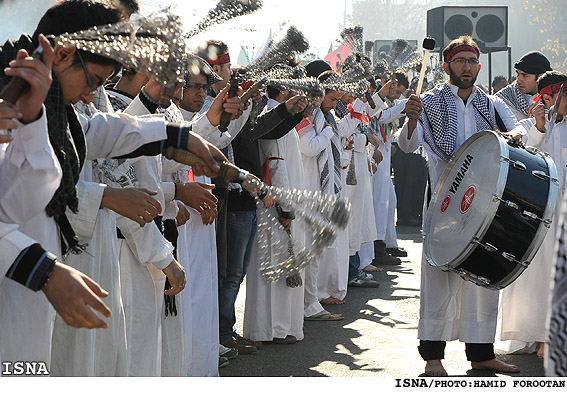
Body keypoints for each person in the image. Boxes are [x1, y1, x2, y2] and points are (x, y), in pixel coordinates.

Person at [398, 35, 522, 377]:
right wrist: (411, 119)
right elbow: (407, 146)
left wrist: (516, 136)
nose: (466, 67)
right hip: (443, 204)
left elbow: (517, 128)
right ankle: (433, 358)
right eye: (460, 61)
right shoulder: (429, 102)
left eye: (471, 62)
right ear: (446, 65)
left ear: (478, 67)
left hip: (484, 204)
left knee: (481, 279)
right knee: (439, 280)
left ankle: (482, 354)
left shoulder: (491, 104)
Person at [499, 71, 567, 359]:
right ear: (549, 98)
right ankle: (539, 337)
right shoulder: (531, 125)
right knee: (538, 277)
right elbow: (519, 146)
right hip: (539, 216)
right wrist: (538, 126)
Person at [496, 51, 552, 121]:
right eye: (518, 74)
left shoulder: (554, 98)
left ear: (541, 77)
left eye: (525, 75)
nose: (519, 80)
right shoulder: (503, 99)